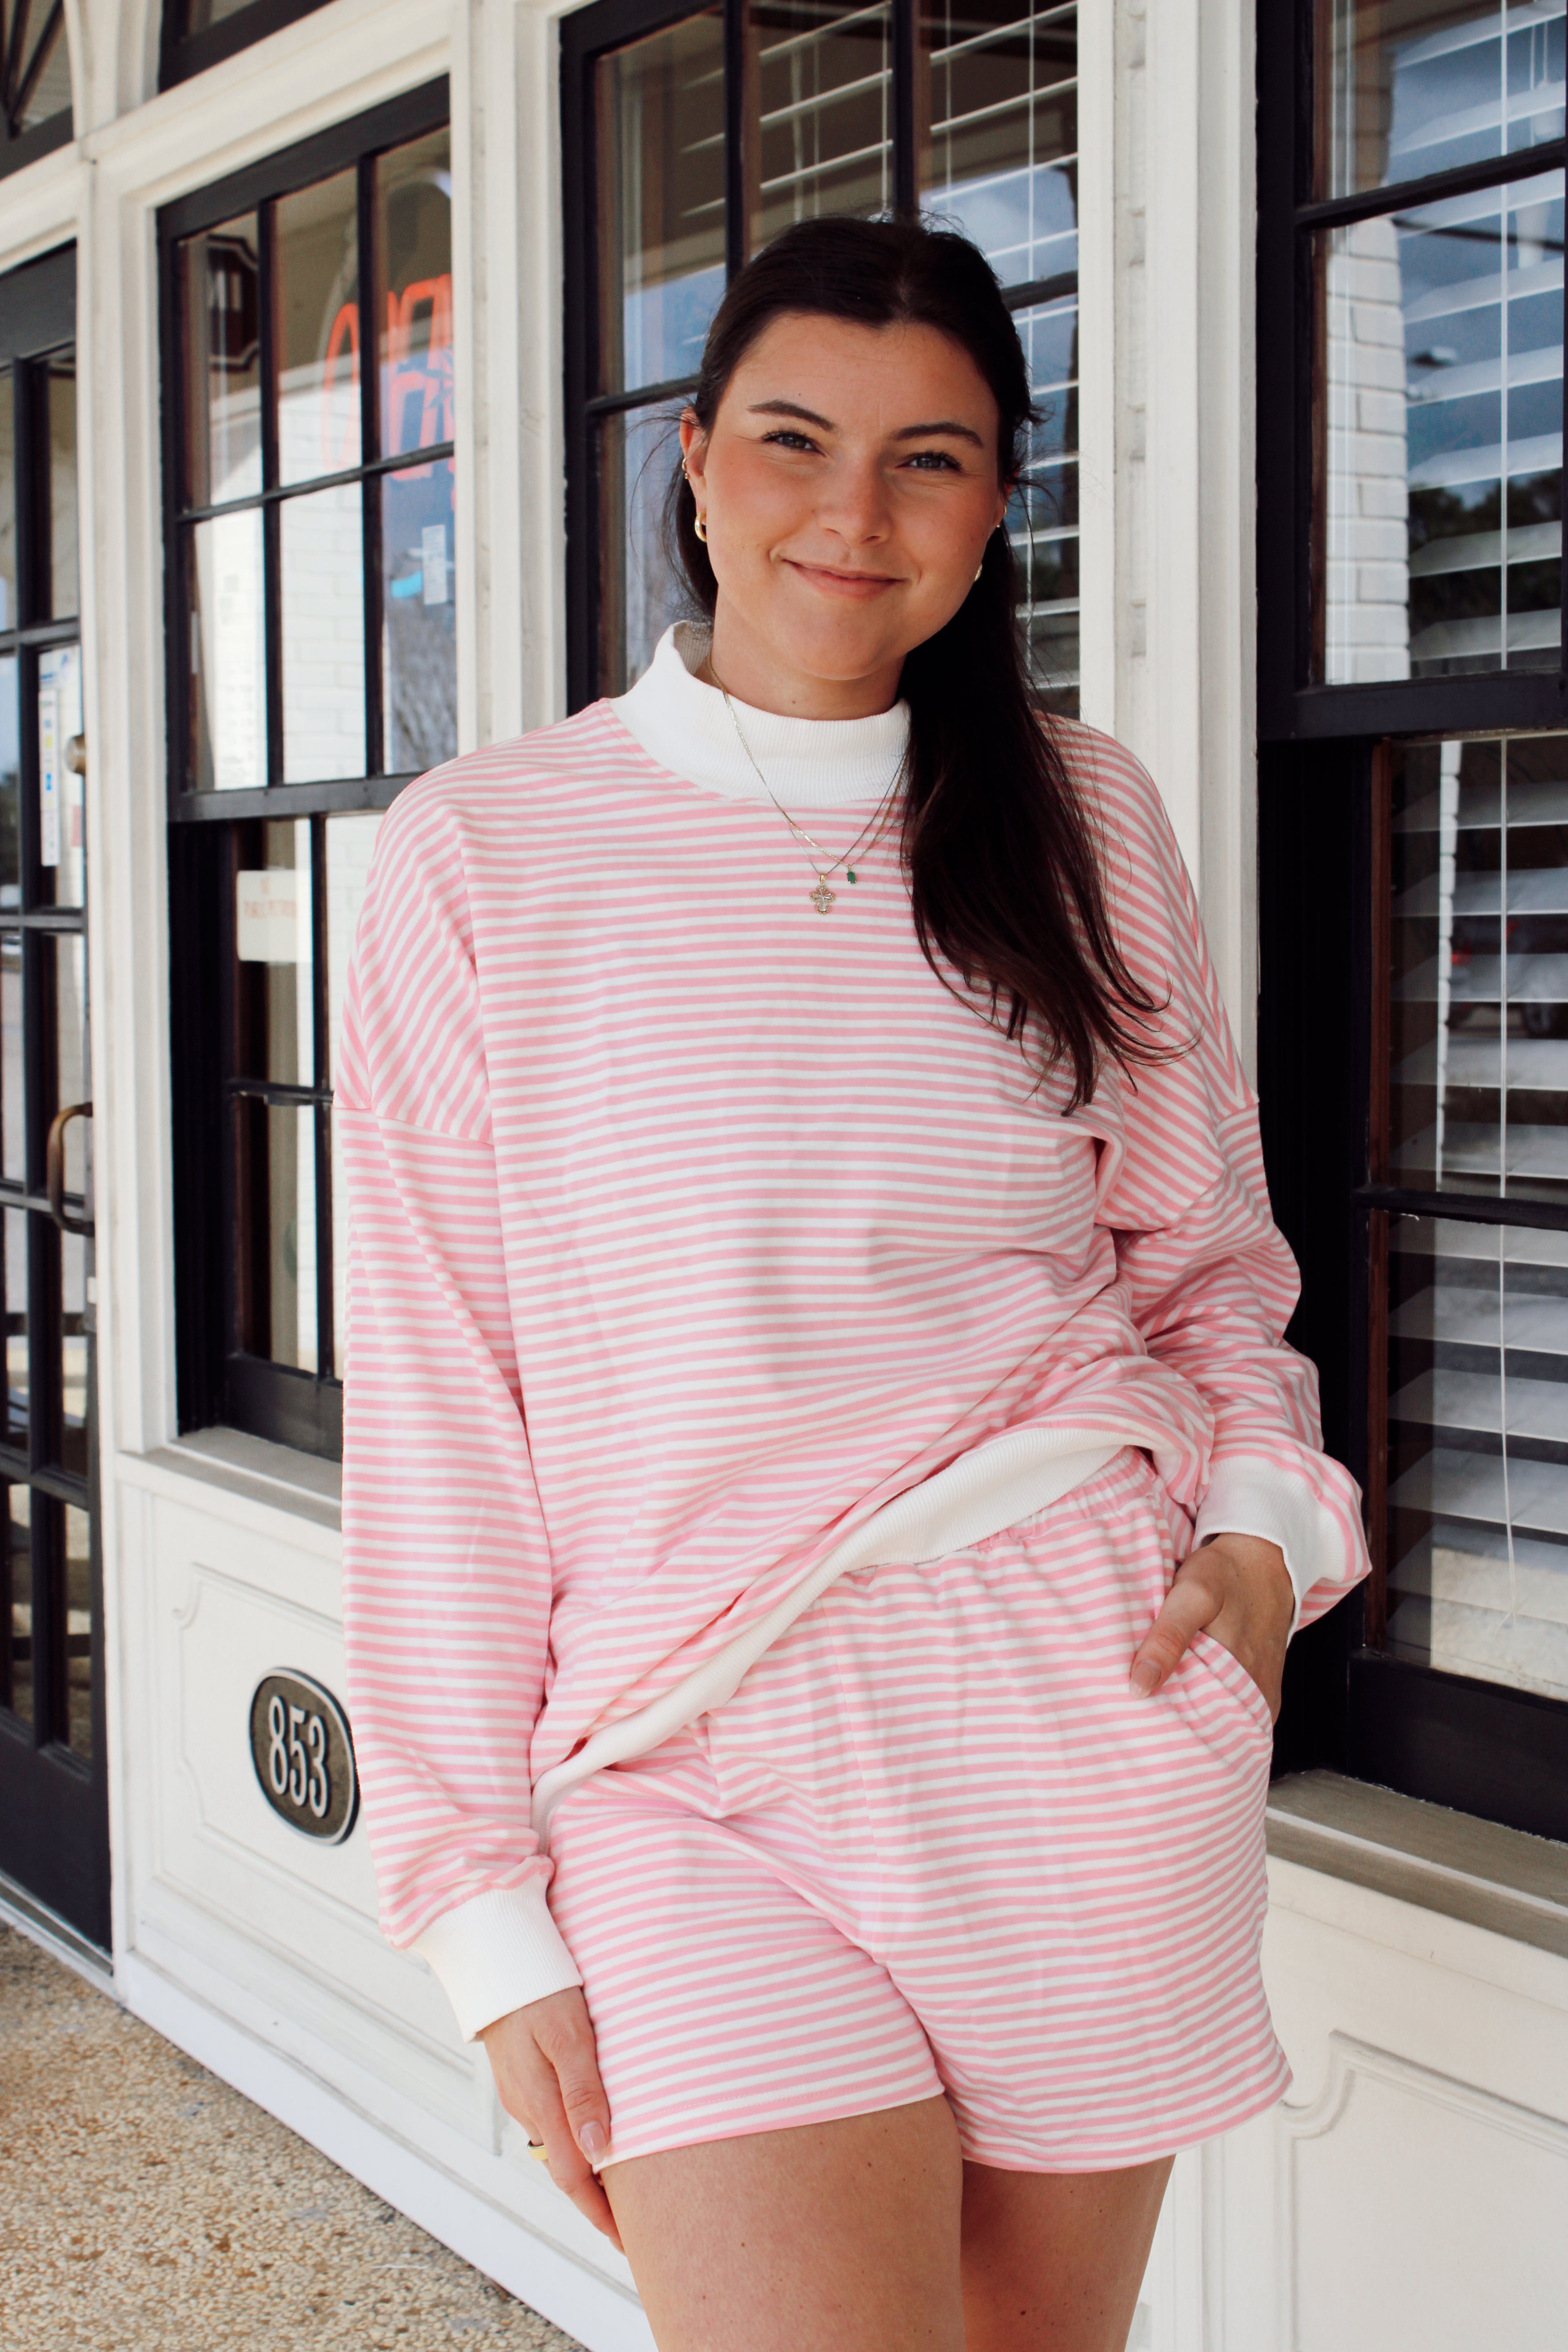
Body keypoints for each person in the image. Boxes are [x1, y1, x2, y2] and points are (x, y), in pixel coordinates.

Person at [338, 214, 1369, 2352]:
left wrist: (1264, 1537)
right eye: (796, 439)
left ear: (998, 511)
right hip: (685, 1753)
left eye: (932, 460)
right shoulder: (488, 850)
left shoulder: (1083, 817)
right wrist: (479, 1912)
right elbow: (438, 1400)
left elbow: (1206, 1260)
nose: (854, 513)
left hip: (1081, 1696)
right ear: (696, 460)